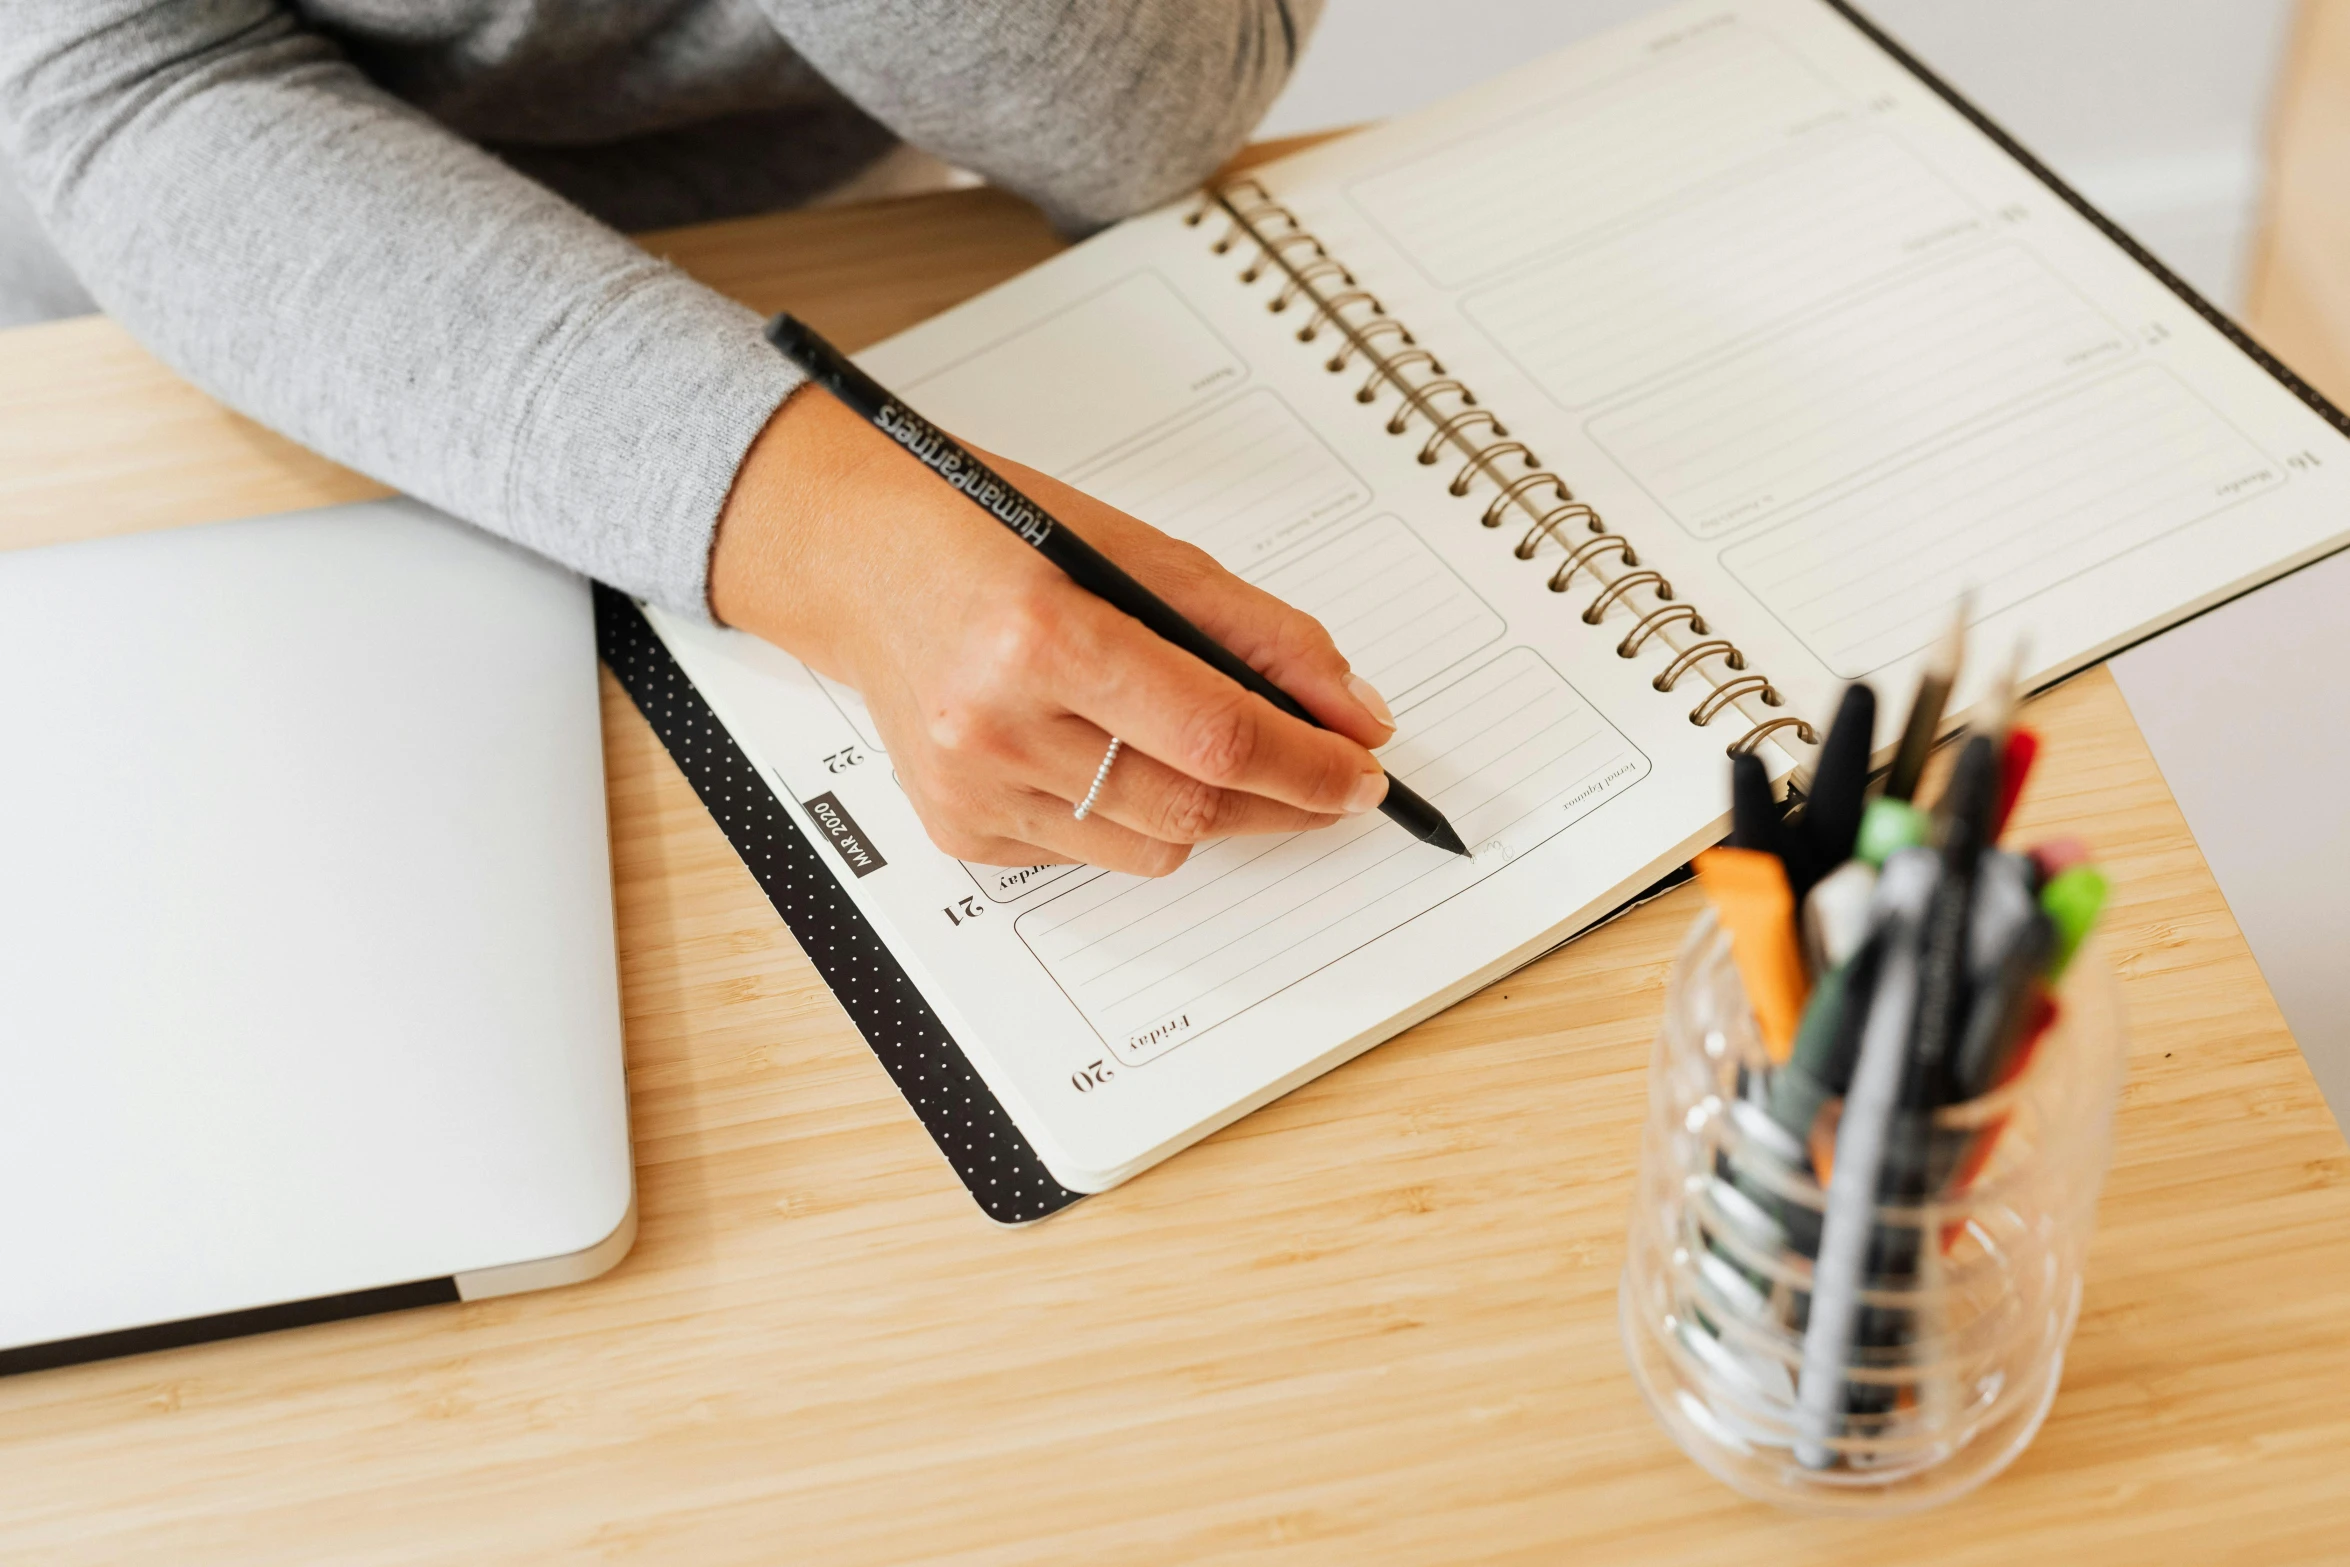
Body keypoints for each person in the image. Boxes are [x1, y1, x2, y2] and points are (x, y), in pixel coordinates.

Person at [0, 1, 1398, 878]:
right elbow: (127, 83)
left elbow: (1134, 115)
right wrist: (821, 529)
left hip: (838, 232)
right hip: (227, 320)